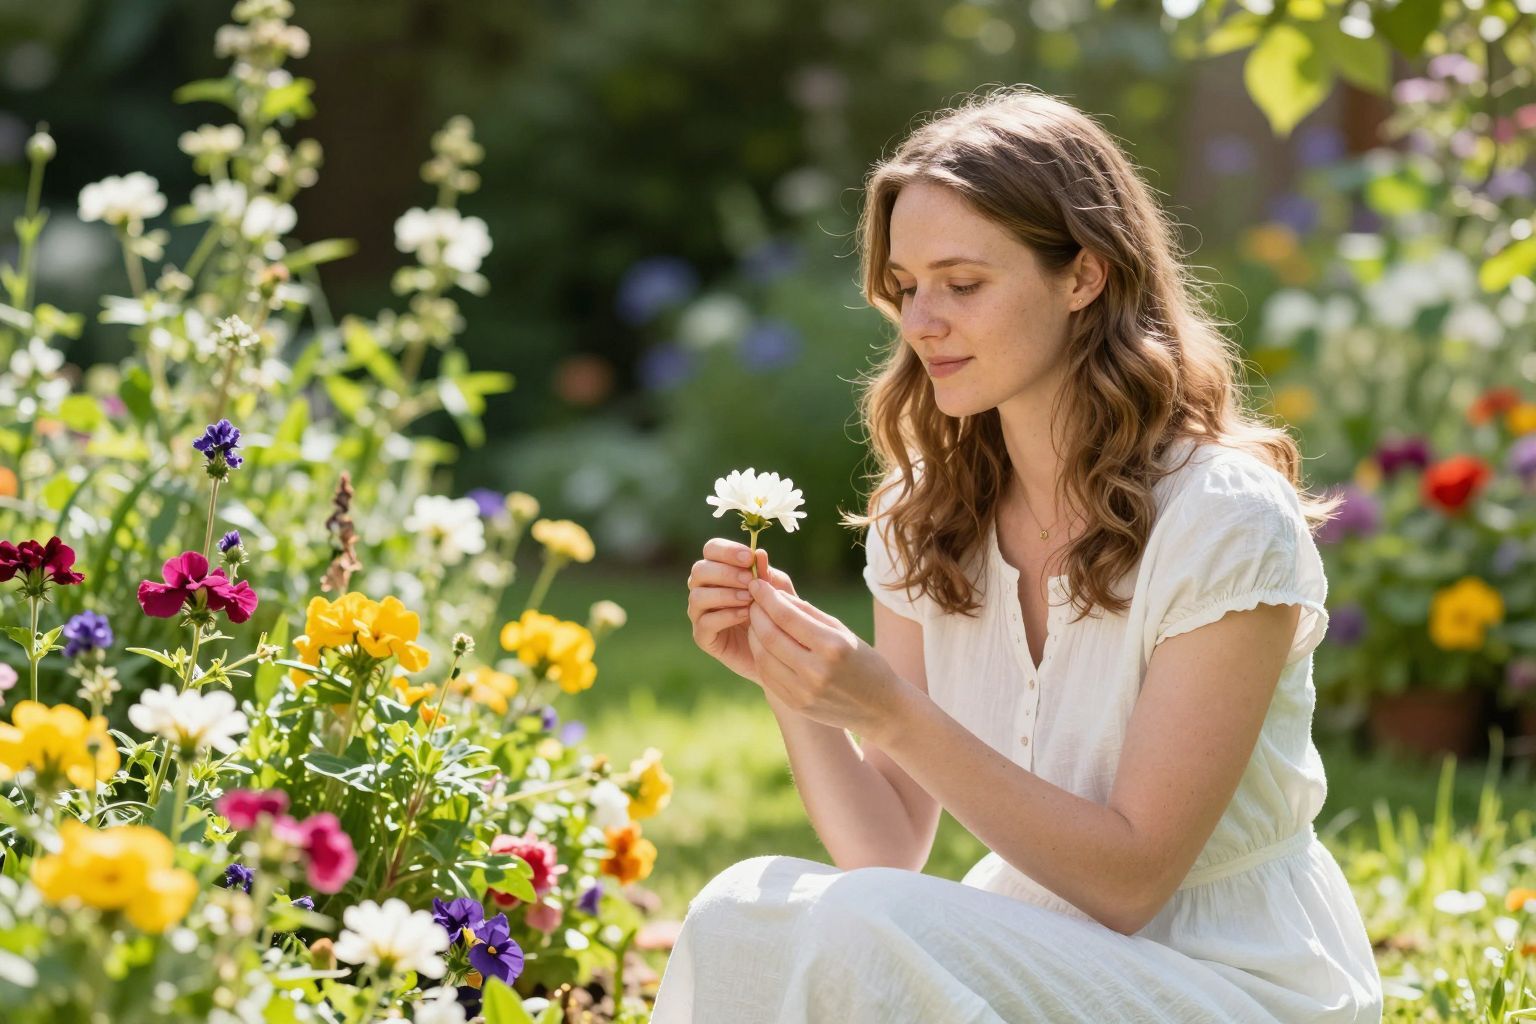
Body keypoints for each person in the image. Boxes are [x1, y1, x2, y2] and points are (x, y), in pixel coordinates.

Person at [656, 86, 1383, 1023]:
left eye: (963, 284)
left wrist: (892, 709)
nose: (922, 323)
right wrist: (794, 685)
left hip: (1233, 979)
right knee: (735, 910)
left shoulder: (1222, 520)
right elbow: (885, 851)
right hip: (1030, 948)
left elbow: (1131, 881)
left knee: (855, 927)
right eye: (907, 288)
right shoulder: (925, 516)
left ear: (1084, 275)